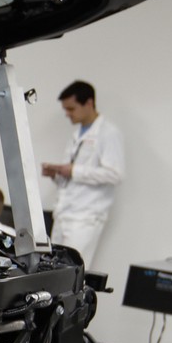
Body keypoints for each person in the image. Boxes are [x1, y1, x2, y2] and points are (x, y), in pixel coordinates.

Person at [41, 80, 124, 264]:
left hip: (85, 217)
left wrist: (74, 170)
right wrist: (57, 174)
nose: (68, 114)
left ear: (89, 103)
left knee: (74, 270)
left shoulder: (108, 133)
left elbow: (115, 174)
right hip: (63, 214)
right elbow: (73, 178)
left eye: (71, 109)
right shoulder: (76, 135)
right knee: (53, 269)